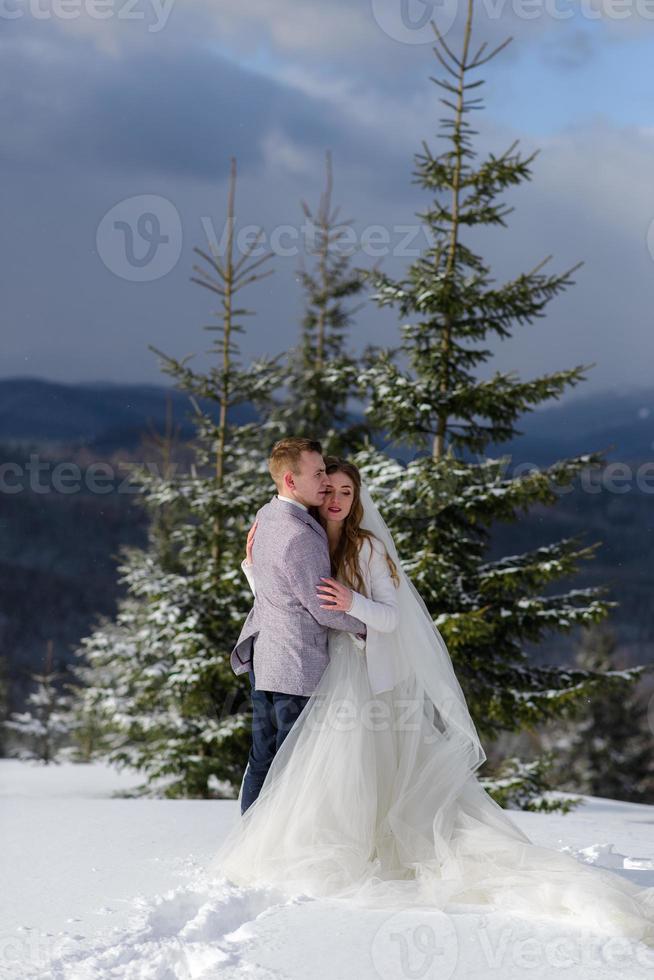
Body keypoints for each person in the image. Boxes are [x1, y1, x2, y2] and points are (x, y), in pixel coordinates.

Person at [211, 455, 654, 946]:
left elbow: (392, 618)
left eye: (345, 492)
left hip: (356, 674)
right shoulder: (307, 538)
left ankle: (346, 850)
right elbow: (282, 595)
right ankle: (288, 847)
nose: (335, 499)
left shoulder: (368, 548)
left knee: (345, 766)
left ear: (357, 499)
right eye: (328, 489)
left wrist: (352, 604)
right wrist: (251, 563)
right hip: (320, 669)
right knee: (312, 769)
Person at [230, 438, 366, 814]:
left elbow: (271, 583)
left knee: (263, 758)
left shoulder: (267, 514)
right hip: (296, 665)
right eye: (318, 473)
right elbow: (324, 608)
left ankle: (251, 839)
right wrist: (371, 624)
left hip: (266, 657)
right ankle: (277, 849)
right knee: (295, 764)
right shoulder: (300, 536)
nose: (325, 480)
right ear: (291, 480)